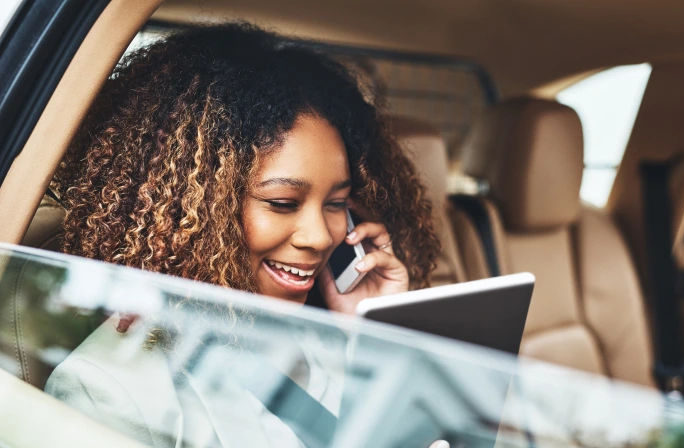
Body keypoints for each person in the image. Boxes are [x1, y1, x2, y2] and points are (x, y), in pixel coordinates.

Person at [45, 23, 443, 447]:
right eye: (283, 203)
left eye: (335, 203)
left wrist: (378, 332)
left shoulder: (328, 335)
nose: (319, 237)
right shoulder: (112, 390)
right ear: (191, 207)